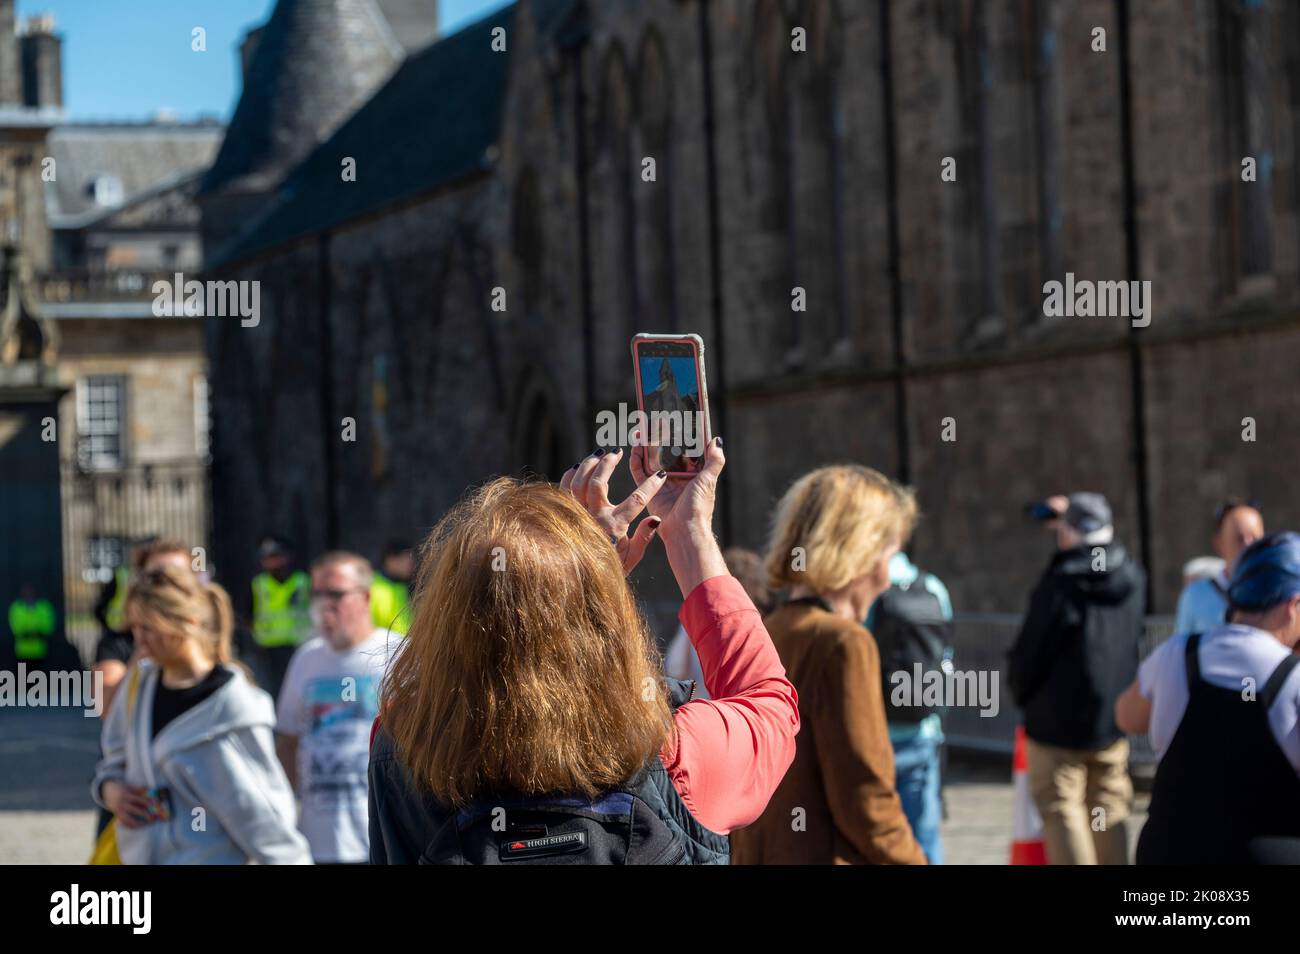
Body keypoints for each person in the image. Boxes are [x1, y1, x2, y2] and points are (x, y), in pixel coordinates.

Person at [369, 440, 800, 864]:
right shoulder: (676, 751)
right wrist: (689, 536)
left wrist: (581, 571)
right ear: (606, 616)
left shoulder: (401, 743)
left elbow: (463, 661)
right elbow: (768, 702)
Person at [729, 464, 927, 865]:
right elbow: (866, 802)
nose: (888, 579)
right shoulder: (843, 643)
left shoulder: (766, 630)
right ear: (860, 552)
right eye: (889, 556)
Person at [91, 563, 311, 864]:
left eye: (149, 629)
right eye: (135, 628)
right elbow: (113, 759)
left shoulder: (233, 707)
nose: (139, 641)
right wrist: (110, 790)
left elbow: (265, 820)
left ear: (188, 622)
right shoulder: (140, 683)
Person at [1117, 532, 1300, 864]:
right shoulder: (1293, 678)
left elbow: (1127, 717)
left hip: (1168, 854)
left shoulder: (1176, 654)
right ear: (1293, 606)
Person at [1007, 492, 1144, 865]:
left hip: (1056, 724)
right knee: (1108, 808)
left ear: (1068, 531)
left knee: (1061, 810)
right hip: (1110, 718)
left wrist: (1021, 691)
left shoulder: (1061, 581)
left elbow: (1031, 651)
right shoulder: (1130, 575)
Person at [276, 552, 397, 864]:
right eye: (317, 594)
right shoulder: (306, 659)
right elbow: (288, 739)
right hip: (315, 842)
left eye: (336, 594)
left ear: (365, 597)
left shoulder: (397, 654)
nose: (323, 604)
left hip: (378, 840)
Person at [866, 551, 953, 865]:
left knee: (876, 839)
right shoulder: (932, 587)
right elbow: (945, 659)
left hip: (875, 735)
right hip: (922, 731)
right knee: (924, 836)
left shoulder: (865, 587)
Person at [663, 547, 773, 700]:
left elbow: (676, 668)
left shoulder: (699, 619)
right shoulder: (762, 624)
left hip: (708, 711)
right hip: (749, 711)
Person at [1173, 498, 1264, 636]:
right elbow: (1179, 649)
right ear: (1219, 543)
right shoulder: (1195, 596)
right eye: (1239, 539)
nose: (1248, 546)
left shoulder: (1280, 592)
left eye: (1255, 538)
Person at [251, 536, 312, 699]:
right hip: (268, 649)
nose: (274, 562)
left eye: (277, 557)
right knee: (271, 690)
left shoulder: (304, 582)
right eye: (268, 558)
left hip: (298, 646)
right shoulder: (258, 584)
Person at [370, 540, 413, 636]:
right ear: (391, 560)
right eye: (404, 560)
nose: (409, 564)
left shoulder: (401, 587)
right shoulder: (373, 588)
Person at [8, 582, 54, 670]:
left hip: (40, 652)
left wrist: (31, 633)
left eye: (30, 591)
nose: (28, 593)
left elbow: (48, 627)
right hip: (22, 652)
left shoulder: (44, 607)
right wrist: (34, 633)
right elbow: (15, 628)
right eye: (26, 591)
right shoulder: (16, 608)